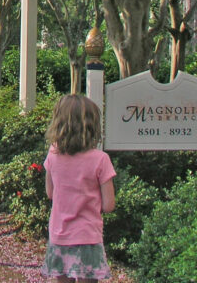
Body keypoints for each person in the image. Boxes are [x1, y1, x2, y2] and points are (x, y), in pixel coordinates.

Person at [40, 94, 117, 283]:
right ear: (92, 126)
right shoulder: (100, 159)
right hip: (88, 237)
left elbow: (50, 193)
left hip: (60, 234)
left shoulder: (53, 155)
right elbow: (108, 205)